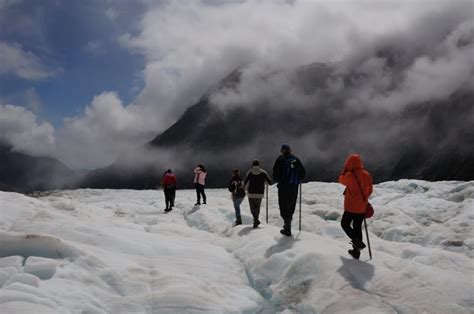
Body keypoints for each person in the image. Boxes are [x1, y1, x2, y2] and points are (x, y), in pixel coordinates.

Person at [338, 154, 373, 259]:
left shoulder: (349, 176)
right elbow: (370, 190)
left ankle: (357, 242)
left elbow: (340, 180)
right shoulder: (367, 175)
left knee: (345, 224)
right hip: (362, 207)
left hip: (350, 207)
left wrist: (344, 171)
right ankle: (356, 252)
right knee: (357, 227)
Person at [272, 145, 305, 236]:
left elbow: (275, 175)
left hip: (283, 186)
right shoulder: (296, 159)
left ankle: (287, 226)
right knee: (291, 204)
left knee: (283, 205)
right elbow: (302, 173)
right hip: (294, 187)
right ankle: (288, 225)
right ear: (290, 150)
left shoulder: (280, 160)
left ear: (282, 151)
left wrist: (279, 180)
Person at [244, 160, 272, 228]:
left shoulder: (249, 172)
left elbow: (246, 182)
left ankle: (255, 219)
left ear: (252, 164)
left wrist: (245, 189)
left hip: (251, 193)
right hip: (260, 193)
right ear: (259, 165)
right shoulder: (263, 172)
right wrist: (264, 182)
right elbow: (270, 182)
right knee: (257, 207)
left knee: (252, 207)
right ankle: (256, 219)